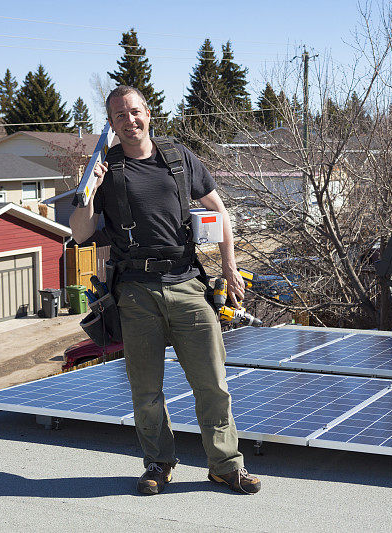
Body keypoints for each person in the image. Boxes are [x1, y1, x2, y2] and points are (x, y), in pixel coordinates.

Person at [69, 85, 261, 495]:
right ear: (111, 124)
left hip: (188, 285)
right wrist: (87, 188)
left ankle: (225, 466)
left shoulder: (178, 158)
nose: (129, 120)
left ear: (148, 113)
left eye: (134, 112)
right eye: (119, 116)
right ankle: (158, 463)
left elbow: (218, 211)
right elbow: (81, 234)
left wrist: (229, 266)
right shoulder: (106, 168)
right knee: (146, 389)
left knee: (212, 382)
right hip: (136, 293)